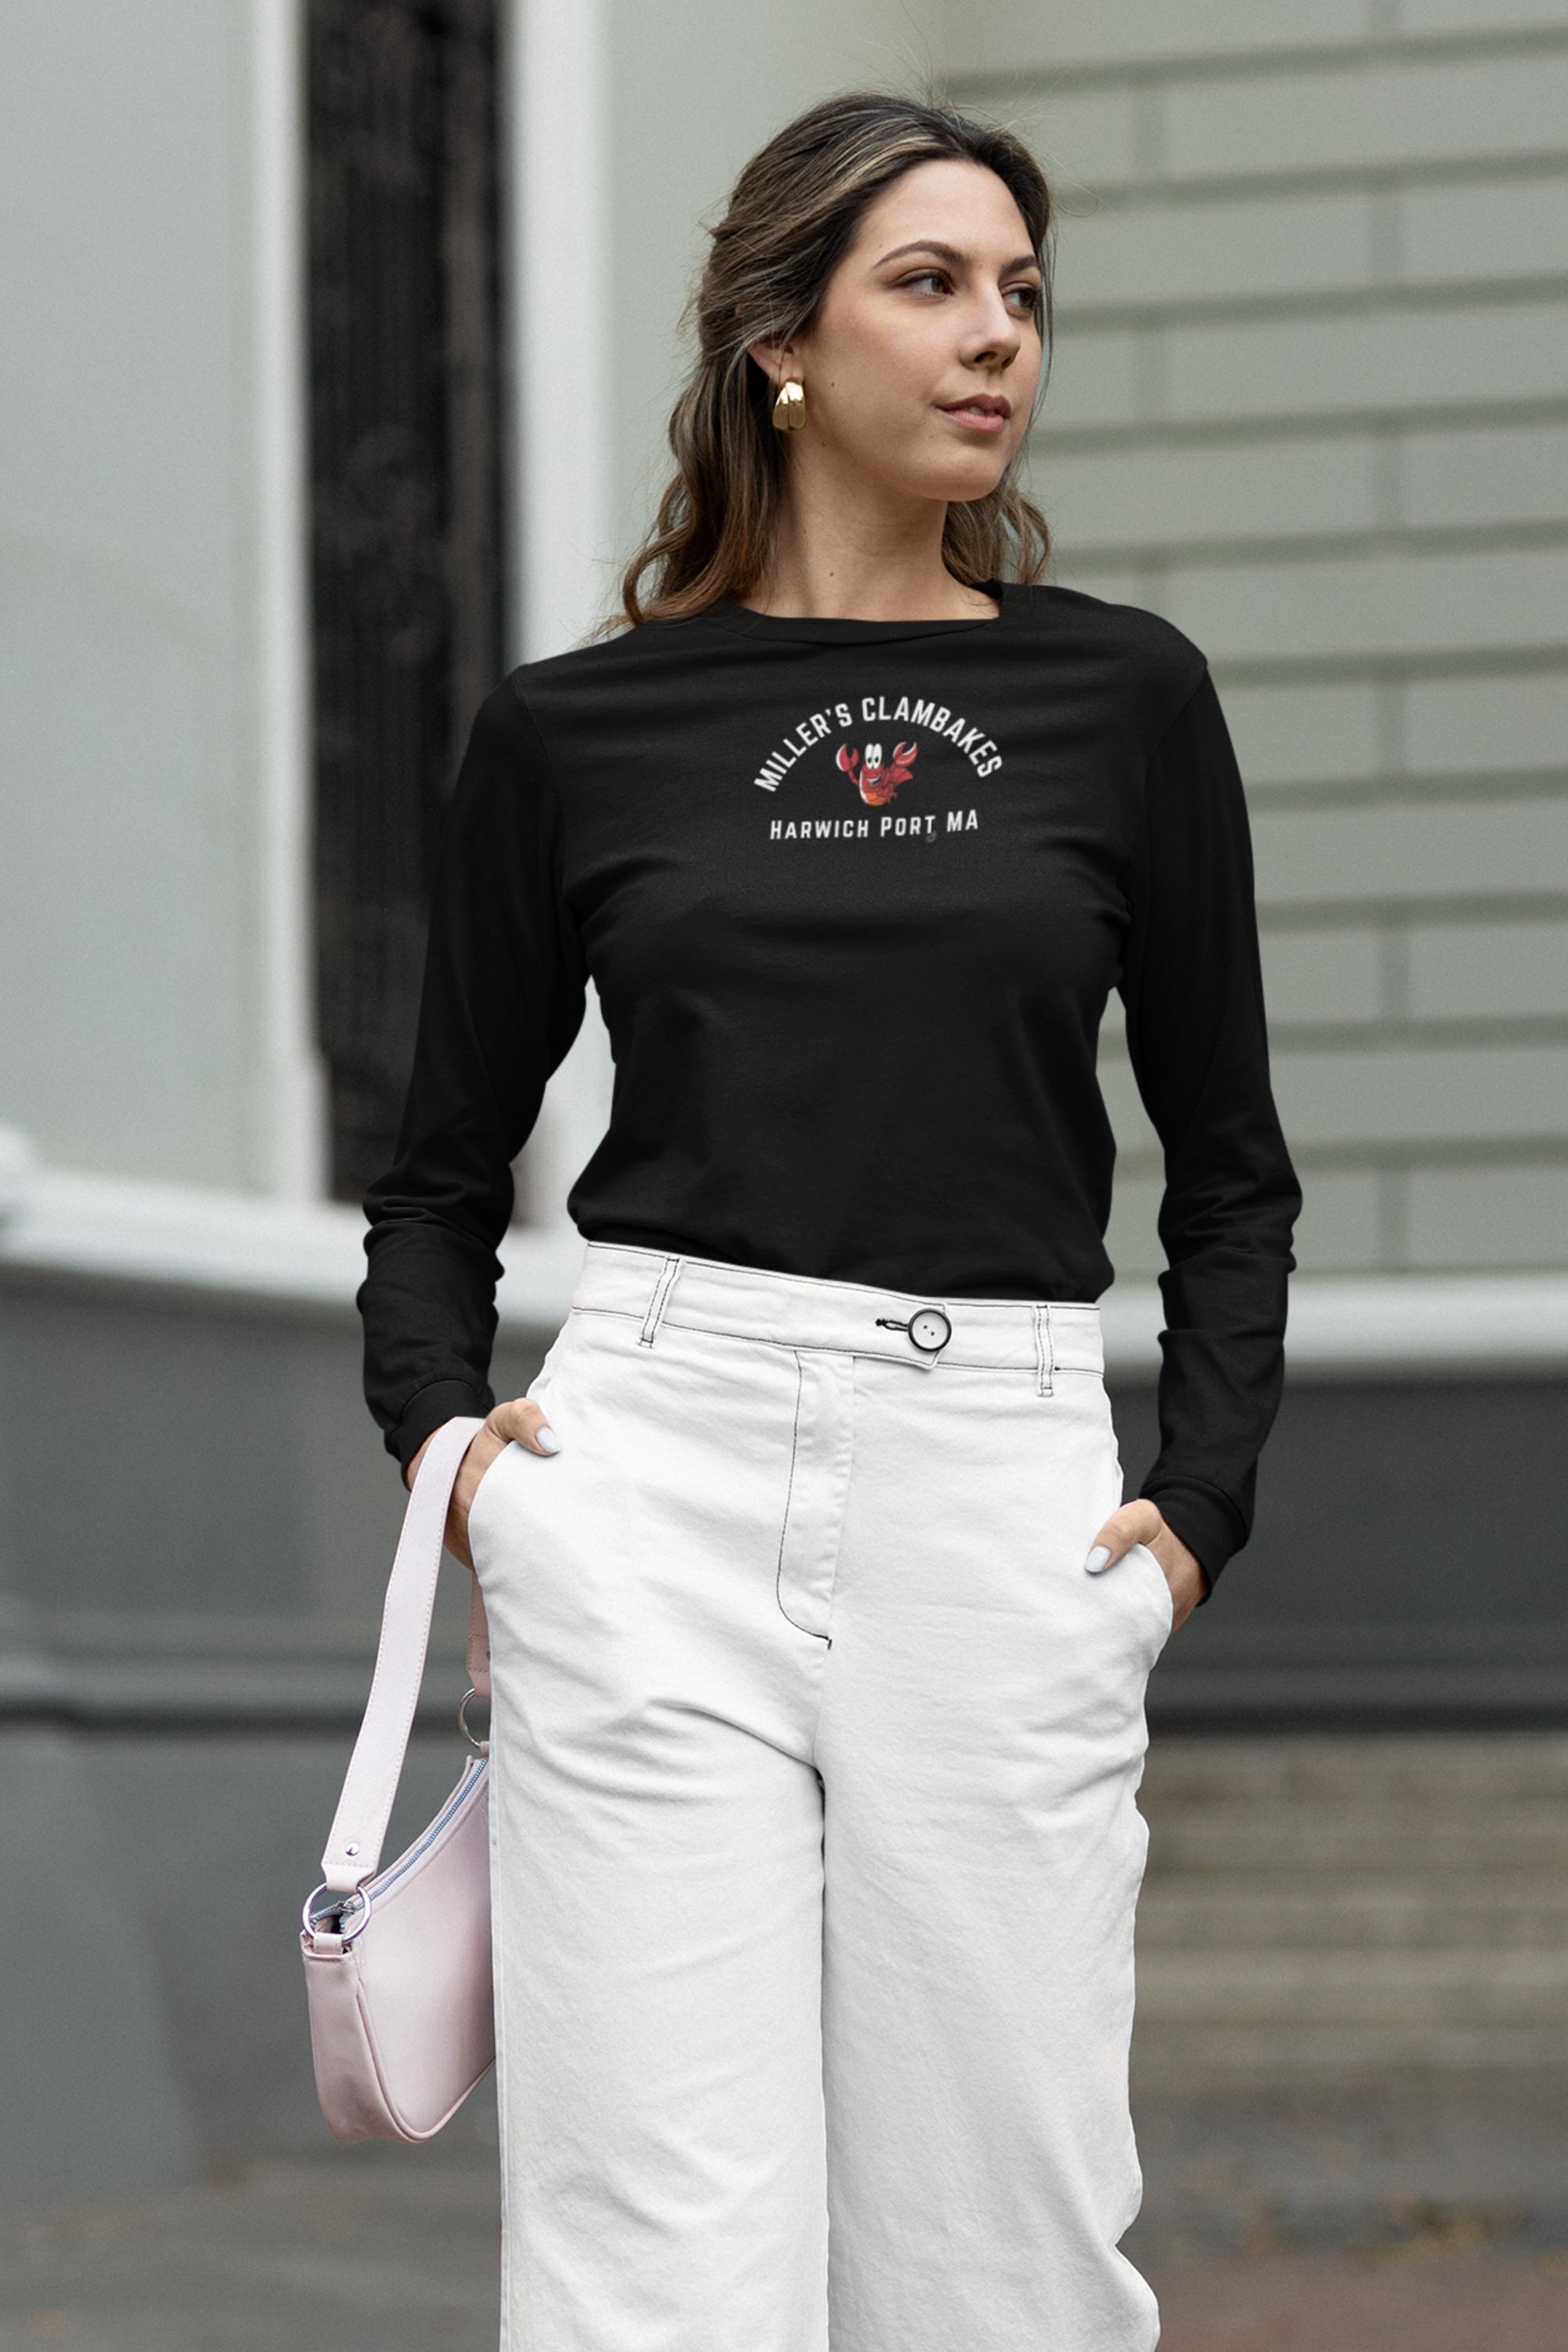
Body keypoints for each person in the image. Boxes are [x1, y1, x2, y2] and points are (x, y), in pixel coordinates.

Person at [359, 90, 1299, 2352]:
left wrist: (1194, 1513)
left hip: (998, 1486)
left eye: (1025, 296)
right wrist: (453, 1455)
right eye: (933, 284)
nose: (1000, 341)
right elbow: (439, 1179)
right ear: (779, 337)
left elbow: (1232, 1159)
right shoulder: (579, 732)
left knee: (1008, 2253)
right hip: (650, 1475)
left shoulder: (1121, 699)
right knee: (655, 2253)